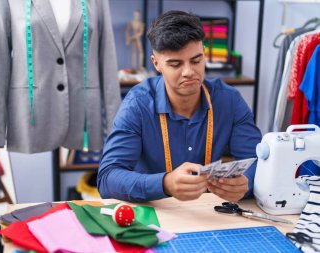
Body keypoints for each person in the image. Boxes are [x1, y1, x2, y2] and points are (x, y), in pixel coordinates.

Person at [97, 10, 262, 202]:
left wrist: (246, 183)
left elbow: (258, 160)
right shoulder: (137, 105)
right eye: (175, 64)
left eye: (196, 60)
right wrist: (165, 183)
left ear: (204, 54)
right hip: (153, 211)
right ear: (156, 63)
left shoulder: (229, 100)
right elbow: (107, 178)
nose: (188, 72)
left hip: (207, 212)